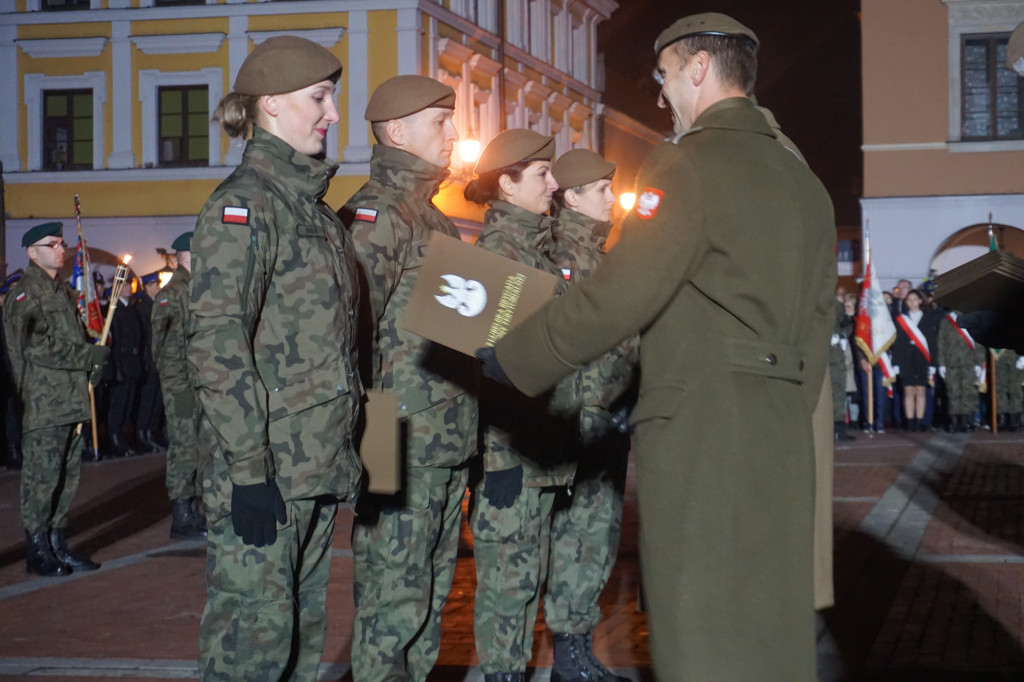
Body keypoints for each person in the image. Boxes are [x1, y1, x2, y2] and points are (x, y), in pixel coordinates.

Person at [479, 13, 837, 682]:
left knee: (699, 623)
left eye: (666, 76)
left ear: (699, 69)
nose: (662, 93)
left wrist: (517, 357)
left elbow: (621, 292)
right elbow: (820, 321)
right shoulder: (802, 182)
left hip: (703, 429)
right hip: (783, 432)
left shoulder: (690, 164)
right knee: (769, 621)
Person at [185, 36, 362, 681]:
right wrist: (250, 471)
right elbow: (215, 341)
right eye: (319, 97)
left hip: (312, 465)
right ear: (270, 106)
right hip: (268, 473)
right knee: (250, 652)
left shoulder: (309, 209)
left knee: (296, 646)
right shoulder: (247, 204)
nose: (333, 114)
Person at [339, 75, 479, 682]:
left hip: (445, 436)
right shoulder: (376, 215)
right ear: (397, 133)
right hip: (393, 435)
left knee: (427, 596)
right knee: (391, 600)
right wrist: (374, 452)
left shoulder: (434, 219)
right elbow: (350, 339)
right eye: (439, 124)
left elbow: (459, 335)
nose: (453, 136)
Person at [465, 128, 580, 682]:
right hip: (511, 461)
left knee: (527, 583)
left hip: (540, 452)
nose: (554, 184)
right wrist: (499, 461)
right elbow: (485, 372)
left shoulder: (535, 251)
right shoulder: (496, 254)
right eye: (541, 174)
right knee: (507, 592)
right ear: (506, 184)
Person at [543, 149, 636, 682]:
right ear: (571, 197)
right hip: (577, 422)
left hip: (608, 420)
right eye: (600, 190)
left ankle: (576, 651)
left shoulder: (604, 255)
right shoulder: (561, 254)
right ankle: (568, 655)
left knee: (597, 539)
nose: (611, 199)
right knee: (575, 539)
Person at [3, 222, 109, 576]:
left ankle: (58, 544)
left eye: (62, 243)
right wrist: (85, 358)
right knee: (42, 479)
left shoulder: (63, 292)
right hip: (44, 403)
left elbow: (78, 337)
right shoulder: (25, 294)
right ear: (32, 253)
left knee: (67, 477)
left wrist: (92, 362)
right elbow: (34, 346)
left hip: (72, 399)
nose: (60, 249)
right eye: (52, 244)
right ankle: (37, 549)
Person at [152, 232, 205, 539]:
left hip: (197, 385)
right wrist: (179, 390)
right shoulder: (172, 295)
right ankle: (181, 516)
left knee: (200, 447)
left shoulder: (195, 290)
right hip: (182, 388)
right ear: (187, 255)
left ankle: (195, 510)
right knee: (184, 449)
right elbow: (166, 351)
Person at [107, 278, 144, 457]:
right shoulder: (114, 310)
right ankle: (114, 439)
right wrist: (117, 368)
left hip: (132, 363)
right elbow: (114, 342)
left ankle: (122, 437)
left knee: (128, 404)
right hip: (121, 362)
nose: (130, 288)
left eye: (131, 285)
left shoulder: (131, 309)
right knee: (118, 405)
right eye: (126, 285)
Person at [891, 289, 937, 432]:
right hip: (906, 360)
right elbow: (897, 343)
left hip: (923, 359)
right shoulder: (901, 319)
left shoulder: (928, 318)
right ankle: (910, 422)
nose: (912, 302)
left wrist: (933, 364)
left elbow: (932, 342)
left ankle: (919, 422)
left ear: (920, 301)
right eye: (909, 300)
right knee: (908, 391)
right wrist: (896, 363)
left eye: (914, 299)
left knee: (921, 391)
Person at [135, 271, 166, 454]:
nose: (158, 287)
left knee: (156, 402)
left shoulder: (156, 306)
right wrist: (146, 362)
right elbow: (144, 338)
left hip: (159, 362)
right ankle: (142, 434)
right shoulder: (143, 308)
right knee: (147, 402)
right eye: (154, 284)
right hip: (150, 362)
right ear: (146, 287)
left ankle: (149, 433)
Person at [0, 272, 24, 470]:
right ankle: (12, 452)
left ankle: (17, 450)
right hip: (7, 375)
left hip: (20, 373)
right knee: (10, 416)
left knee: (18, 415)